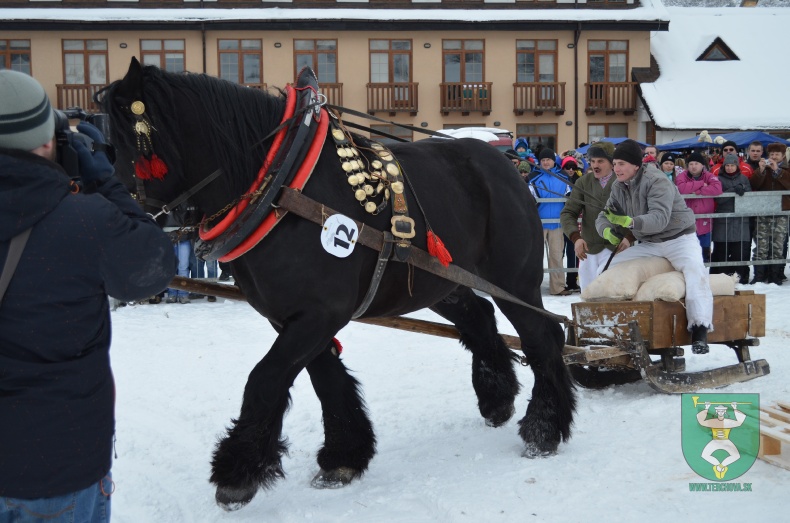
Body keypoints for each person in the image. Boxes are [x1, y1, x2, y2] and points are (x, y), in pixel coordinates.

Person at [0, 70, 175, 521]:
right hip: (55, 465)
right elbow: (153, 267)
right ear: (46, 143)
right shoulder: (83, 221)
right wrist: (106, 182)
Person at [596, 139, 713, 354]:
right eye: (614, 164)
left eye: (621, 164)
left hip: (679, 239)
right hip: (650, 243)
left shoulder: (657, 181)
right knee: (608, 264)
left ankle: (700, 328)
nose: (616, 169)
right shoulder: (618, 186)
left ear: (635, 165)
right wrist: (606, 230)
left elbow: (659, 219)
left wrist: (629, 223)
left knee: (695, 270)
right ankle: (610, 323)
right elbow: (604, 214)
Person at [560, 141, 616, 290]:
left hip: (618, 250)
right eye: (592, 161)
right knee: (588, 298)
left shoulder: (623, 182)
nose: (595, 165)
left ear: (612, 163)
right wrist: (575, 238)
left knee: (614, 298)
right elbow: (568, 213)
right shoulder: (583, 182)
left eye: (600, 161)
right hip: (589, 251)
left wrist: (629, 238)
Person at [530, 148, 572, 295]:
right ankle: (532, 287)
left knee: (556, 256)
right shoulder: (533, 177)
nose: (546, 162)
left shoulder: (563, 177)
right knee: (535, 257)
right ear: (539, 162)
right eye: (543, 160)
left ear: (554, 160)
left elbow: (570, 198)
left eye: (548, 159)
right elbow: (530, 200)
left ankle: (558, 287)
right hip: (538, 224)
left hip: (557, 223)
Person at [749, 142, 790, 285]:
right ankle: (759, 275)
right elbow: (753, 185)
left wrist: (778, 171)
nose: (773, 157)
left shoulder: (786, 169)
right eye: (771, 154)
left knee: (778, 245)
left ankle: (775, 275)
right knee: (761, 245)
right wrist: (760, 171)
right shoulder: (763, 168)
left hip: (781, 212)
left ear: (783, 156)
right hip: (763, 211)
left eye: (777, 155)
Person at [711, 154, 752, 284]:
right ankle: (719, 277)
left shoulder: (744, 178)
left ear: (737, 166)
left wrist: (744, 189)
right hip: (723, 218)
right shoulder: (718, 179)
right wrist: (733, 190)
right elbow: (718, 198)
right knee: (721, 250)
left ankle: (740, 276)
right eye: (727, 166)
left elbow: (750, 197)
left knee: (739, 250)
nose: (729, 168)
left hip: (740, 219)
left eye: (732, 165)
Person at [675, 151, 722, 263]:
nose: (693, 166)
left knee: (704, 253)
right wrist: (701, 184)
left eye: (696, 163)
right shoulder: (682, 176)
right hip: (687, 223)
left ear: (702, 165)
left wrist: (697, 191)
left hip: (705, 222)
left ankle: (704, 275)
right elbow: (681, 189)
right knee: (689, 254)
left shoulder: (709, 176)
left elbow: (717, 189)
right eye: (691, 164)